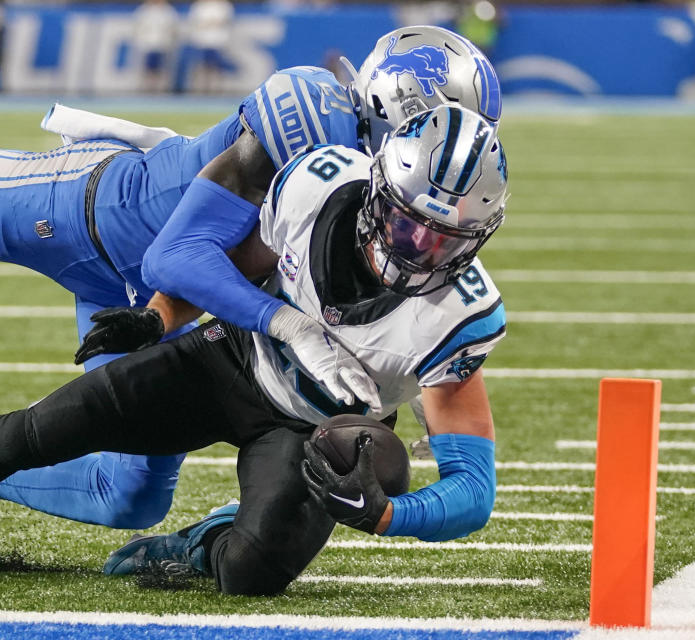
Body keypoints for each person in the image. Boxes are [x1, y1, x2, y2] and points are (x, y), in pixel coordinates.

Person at [0, 26, 502, 530]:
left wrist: (416, 383)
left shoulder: (393, 205)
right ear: (392, 102)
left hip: (154, 304)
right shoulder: (316, 117)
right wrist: (289, 325)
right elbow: (174, 256)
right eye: (437, 124)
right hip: (88, 212)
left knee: (127, 498)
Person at [133, 0, 180, 93]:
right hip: (147, 45)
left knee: (161, 69)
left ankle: (160, 90)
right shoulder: (143, 11)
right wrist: (140, 41)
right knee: (147, 69)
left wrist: (170, 41)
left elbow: (174, 29)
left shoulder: (168, 11)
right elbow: (137, 28)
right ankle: (146, 89)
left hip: (163, 45)